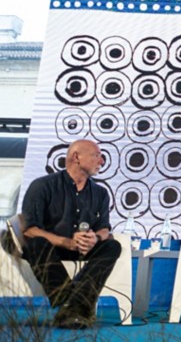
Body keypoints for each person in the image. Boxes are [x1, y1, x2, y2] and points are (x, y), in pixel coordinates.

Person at [21, 139, 122, 329]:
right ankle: (74, 304)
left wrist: (95, 238)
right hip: (52, 250)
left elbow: (104, 228)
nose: (101, 161)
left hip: (83, 250)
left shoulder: (100, 193)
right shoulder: (42, 186)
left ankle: (70, 306)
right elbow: (29, 229)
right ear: (76, 157)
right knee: (35, 244)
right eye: (97, 156)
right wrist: (66, 242)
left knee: (112, 245)